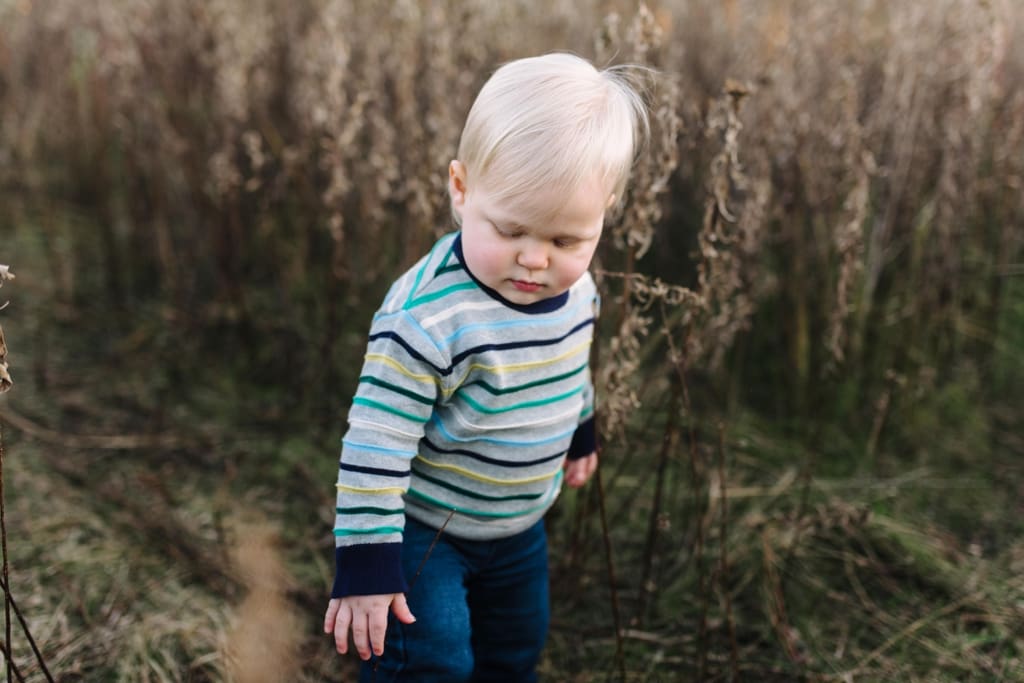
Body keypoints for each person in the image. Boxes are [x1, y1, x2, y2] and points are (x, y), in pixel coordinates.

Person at [323, 52, 649, 682]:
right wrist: (366, 565)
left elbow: (568, 366)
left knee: (514, 649)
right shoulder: (427, 318)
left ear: (604, 211)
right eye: (511, 230)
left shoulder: (578, 291)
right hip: (426, 530)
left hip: (520, 525)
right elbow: (375, 444)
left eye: (565, 240)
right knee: (432, 658)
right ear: (461, 187)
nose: (535, 260)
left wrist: (581, 430)